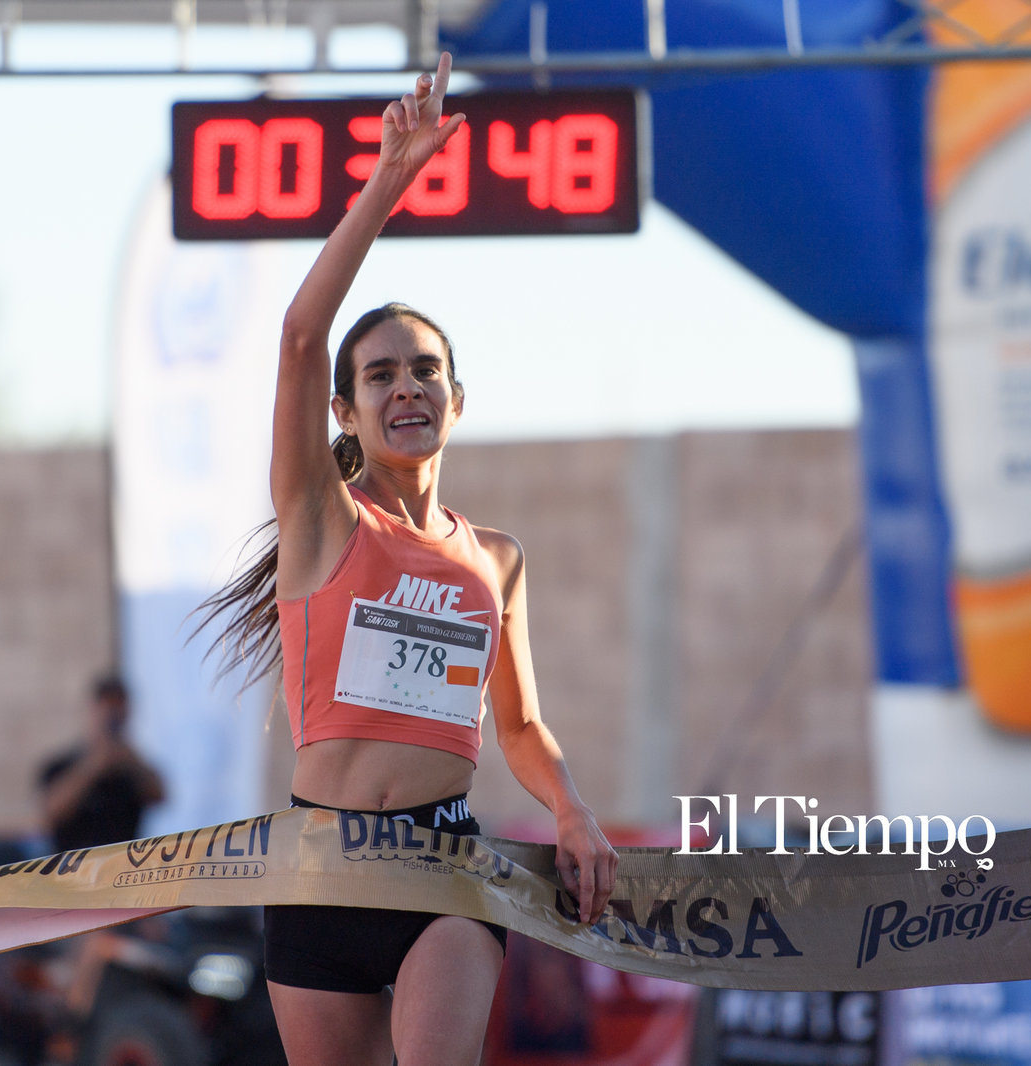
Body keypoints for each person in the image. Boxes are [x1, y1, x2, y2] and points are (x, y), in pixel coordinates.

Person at [198, 52, 618, 1066]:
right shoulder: (321, 519)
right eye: (379, 375)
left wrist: (572, 811)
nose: (405, 388)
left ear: (455, 401)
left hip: (443, 868)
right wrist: (391, 177)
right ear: (345, 412)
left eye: (425, 370)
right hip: (320, 871)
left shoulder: (496, 559)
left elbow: (519, 725)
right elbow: (301, 336)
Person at [39, 672, 166, 853]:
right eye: (107, 708)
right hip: (71, 866)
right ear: (92, 710)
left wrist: (129, 760)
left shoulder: (130, 766)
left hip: (123, 864)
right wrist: (94, 765)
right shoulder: (62, 764)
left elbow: (160, 795)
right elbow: (51, 813)